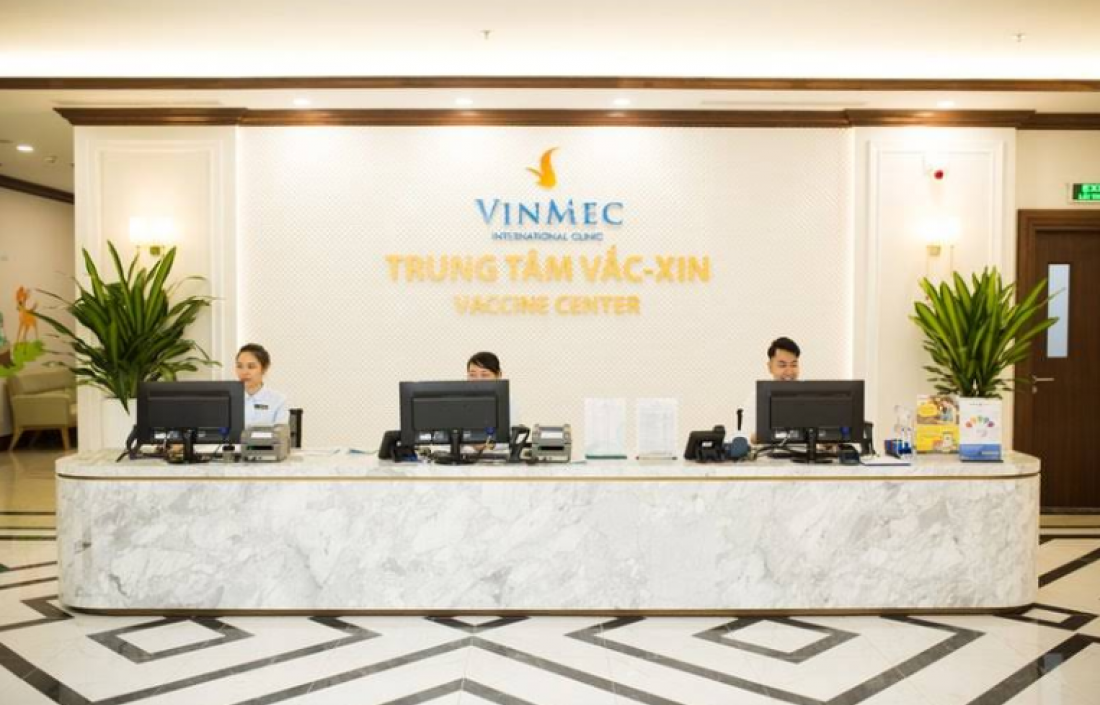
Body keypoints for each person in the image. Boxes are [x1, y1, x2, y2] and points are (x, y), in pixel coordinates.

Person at [740, 337, 801, 443]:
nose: (789, 371)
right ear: (770, 367)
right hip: (768, 453)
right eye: (782, 365)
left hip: (804, 453)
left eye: (794, 365)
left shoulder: (809, 396)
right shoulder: (756, 399)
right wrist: (768, 435)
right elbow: (744, 437)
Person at [235, 343, 289, 426]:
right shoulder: (229, 398)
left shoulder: (279, 400)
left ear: (264, 368)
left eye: (251, 366)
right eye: (239, 366)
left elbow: (280, 433)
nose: (244, 372)